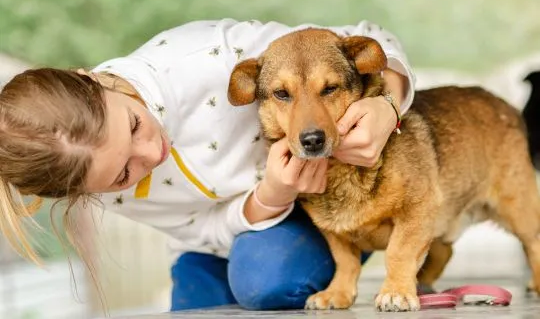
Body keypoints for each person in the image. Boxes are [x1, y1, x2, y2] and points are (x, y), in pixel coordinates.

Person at [0, 18, 416, 311]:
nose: (150, 154)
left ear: (89, 78)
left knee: (265, 282)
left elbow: (370, 38)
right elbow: (205, 229)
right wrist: (269, 196)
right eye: (123, 175)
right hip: (211, 243)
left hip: (309, 213)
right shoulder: (94, 180)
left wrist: (388, 104)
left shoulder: (208, 53)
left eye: (133, 125)